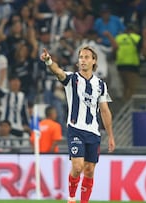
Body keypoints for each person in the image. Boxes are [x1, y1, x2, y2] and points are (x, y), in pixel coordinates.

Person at [40, 46, 115, 203]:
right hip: (75, 129)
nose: (83, 60)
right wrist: (48, 61)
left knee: (89, 170)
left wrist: (110, 136)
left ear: (94, 61)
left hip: (94, 132)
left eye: (87, 57)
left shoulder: (101, 85)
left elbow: (105, 111)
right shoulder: (72, 79)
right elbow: (58, 71)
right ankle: (72, 197)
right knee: (78, 166)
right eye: (81, 57)